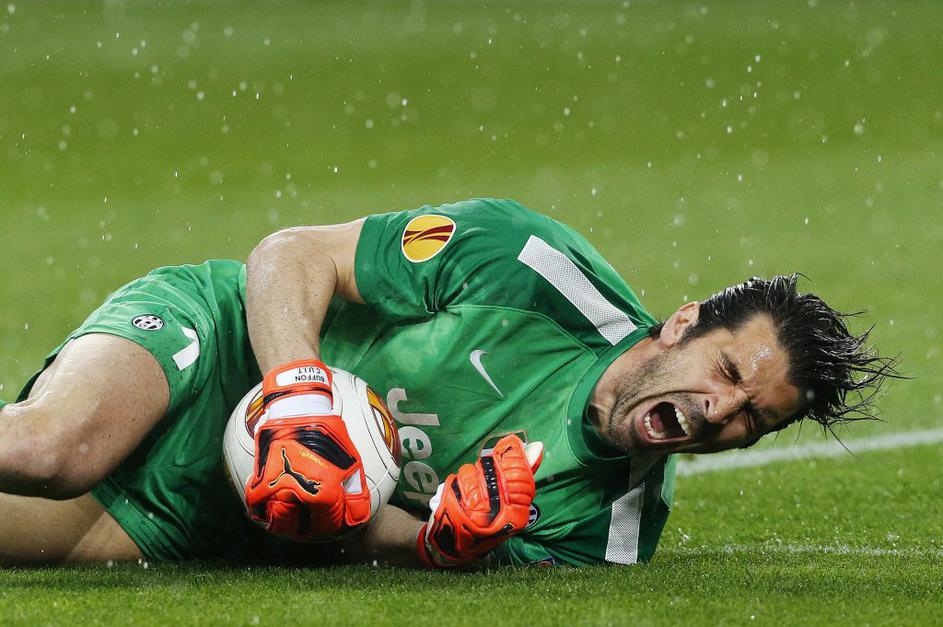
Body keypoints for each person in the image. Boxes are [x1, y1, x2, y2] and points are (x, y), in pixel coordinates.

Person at [0, 198, 896, 567]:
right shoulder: (527, 265)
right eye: (727, 371)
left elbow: (375, 544)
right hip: (224, 343)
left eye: (748, 420)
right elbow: (289, 254)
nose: (717, 411)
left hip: (222, 508)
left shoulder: (603, 536)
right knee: (51, 449)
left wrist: (433, 542)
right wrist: (297, 391)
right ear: (681, 323)